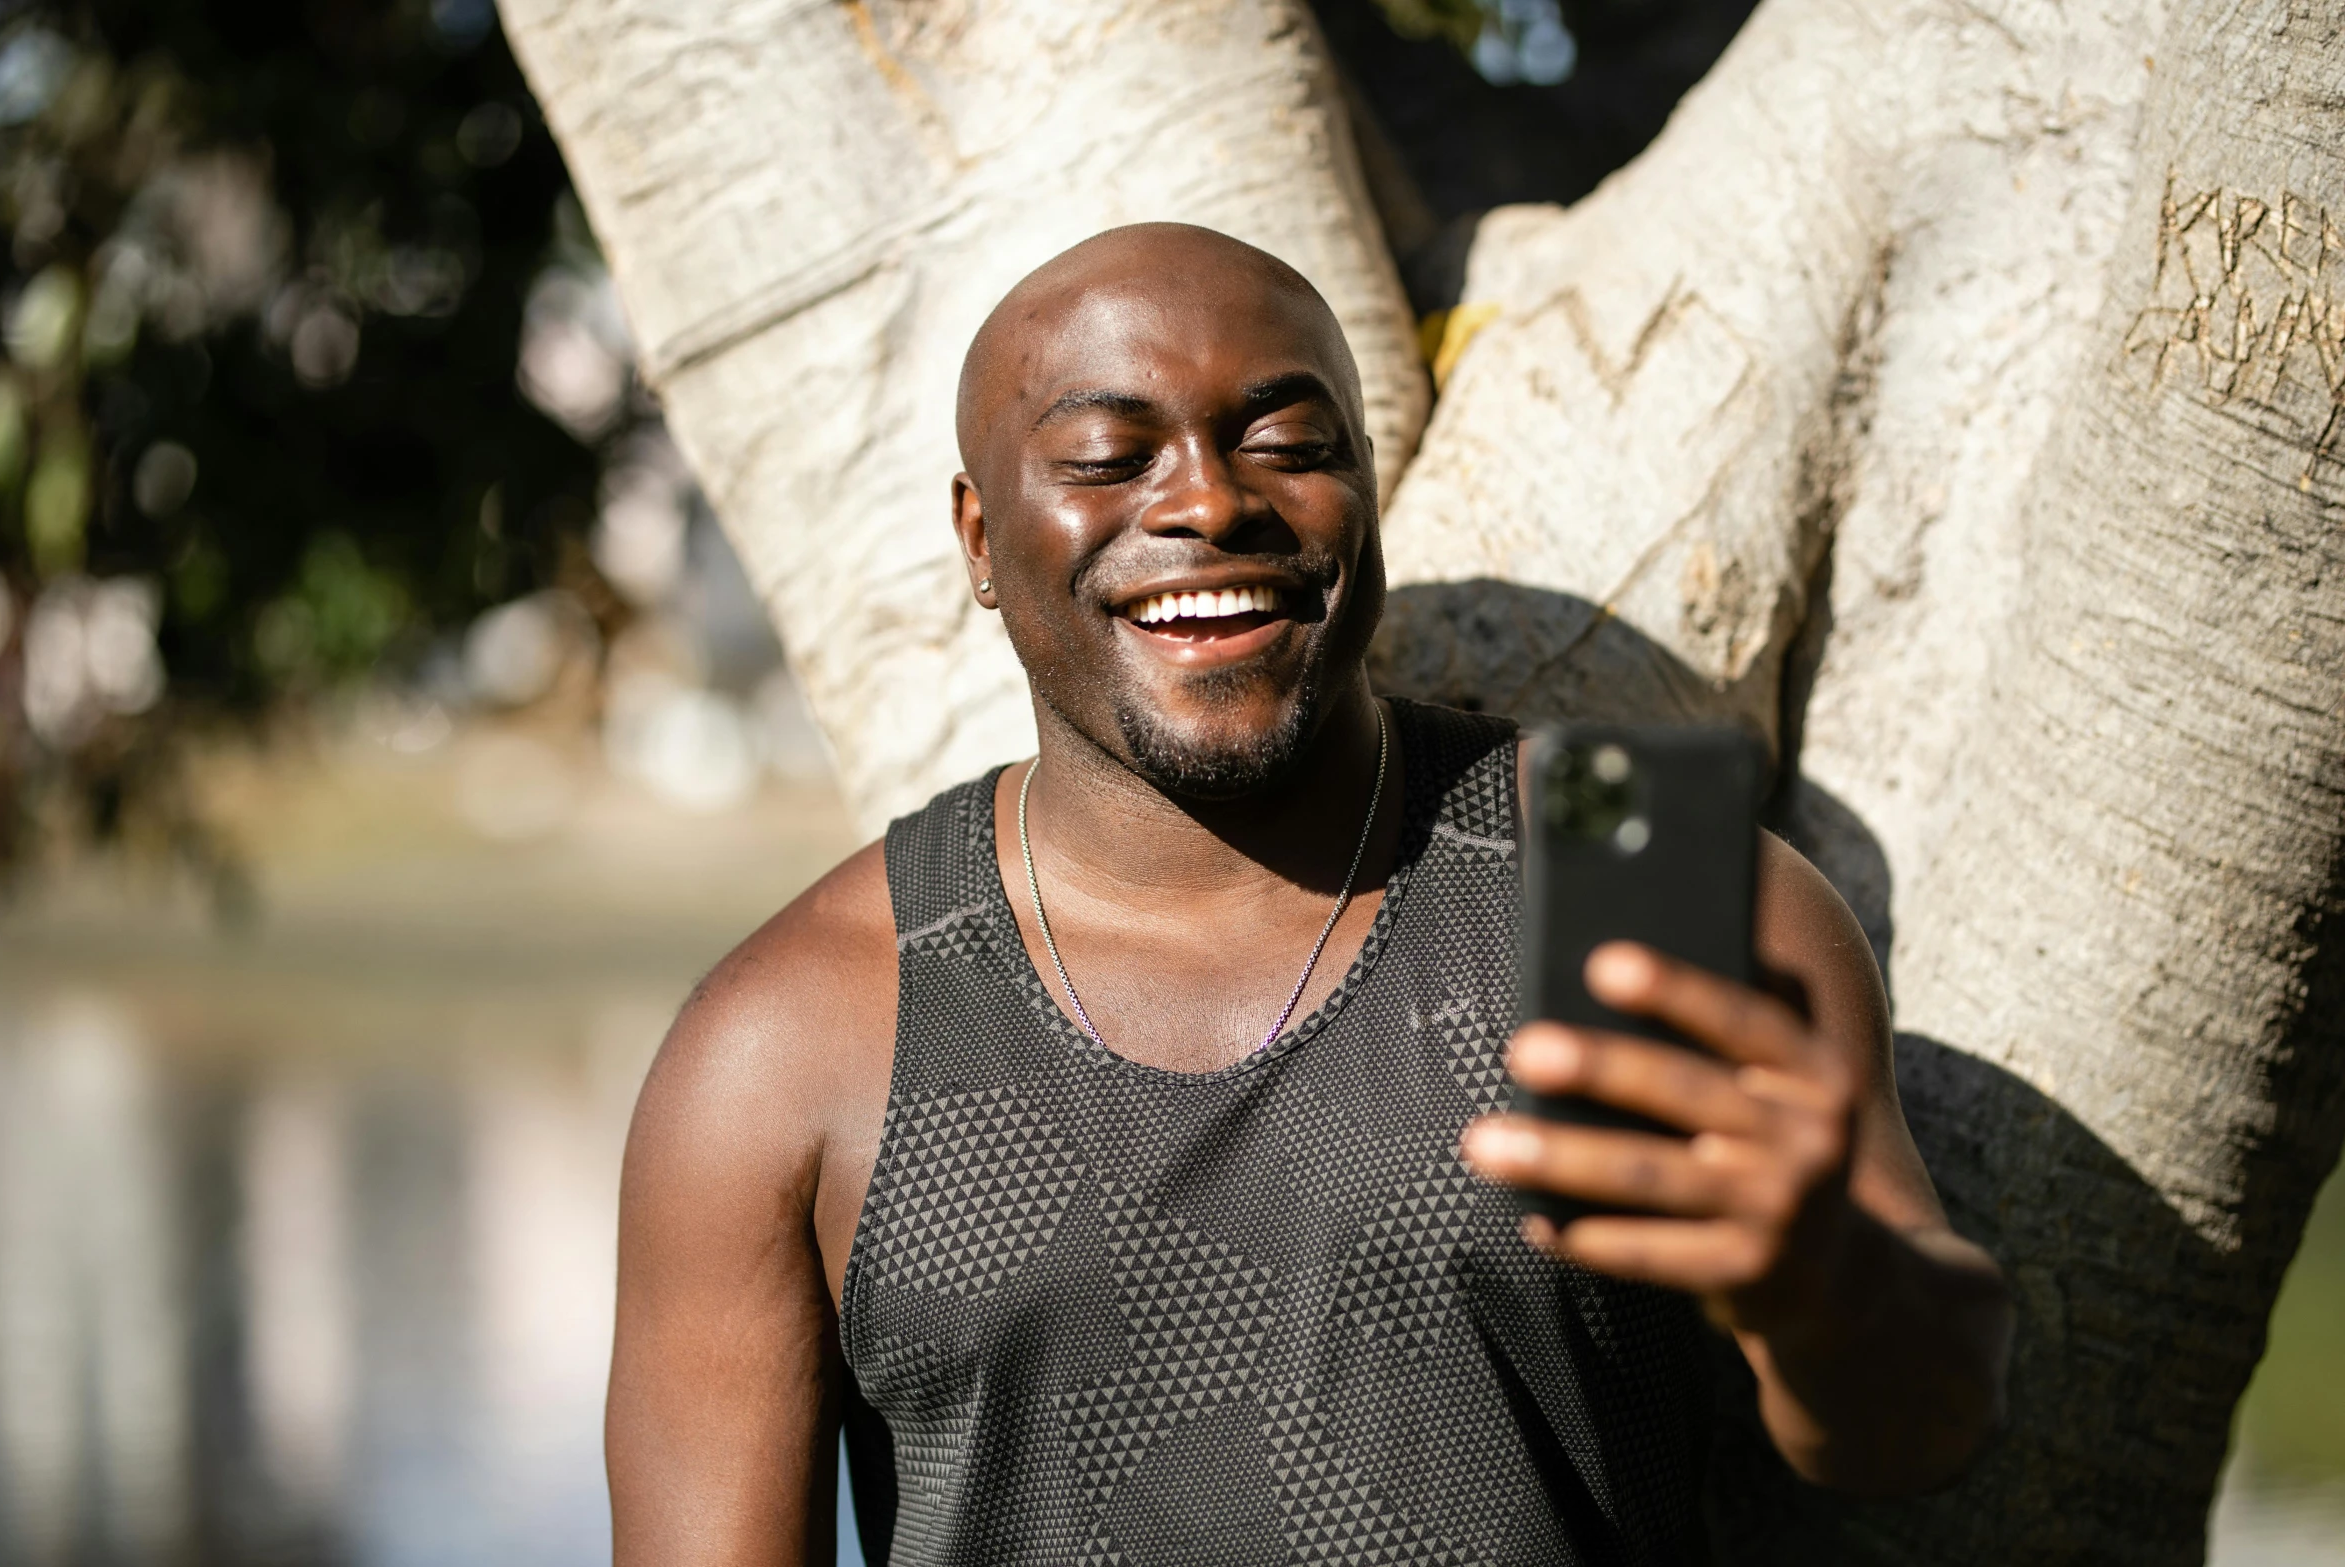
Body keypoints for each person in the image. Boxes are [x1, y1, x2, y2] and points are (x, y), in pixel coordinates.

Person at [606, 223, 2012, 1566]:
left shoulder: (1628, 866)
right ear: (980, 539)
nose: (1210, 501)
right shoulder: (794, 1032)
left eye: (1287, 444)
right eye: (1107, 455)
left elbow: (1919, 1432)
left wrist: (1827, 1278)